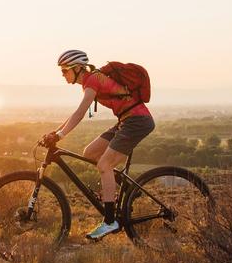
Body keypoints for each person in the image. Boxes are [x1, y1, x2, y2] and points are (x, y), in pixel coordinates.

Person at [42, 50, 155, 240]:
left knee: (104, 165)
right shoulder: (90, 81)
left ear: (77, 68)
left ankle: (110, 221)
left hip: (137, 121)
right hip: (126, 121)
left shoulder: (92, 80)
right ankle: (126, 188)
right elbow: (75, 114)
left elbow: (80, 113)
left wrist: (60, 135)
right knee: (90, 153)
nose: (63, 75)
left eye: (64, 71)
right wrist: (56, 132)